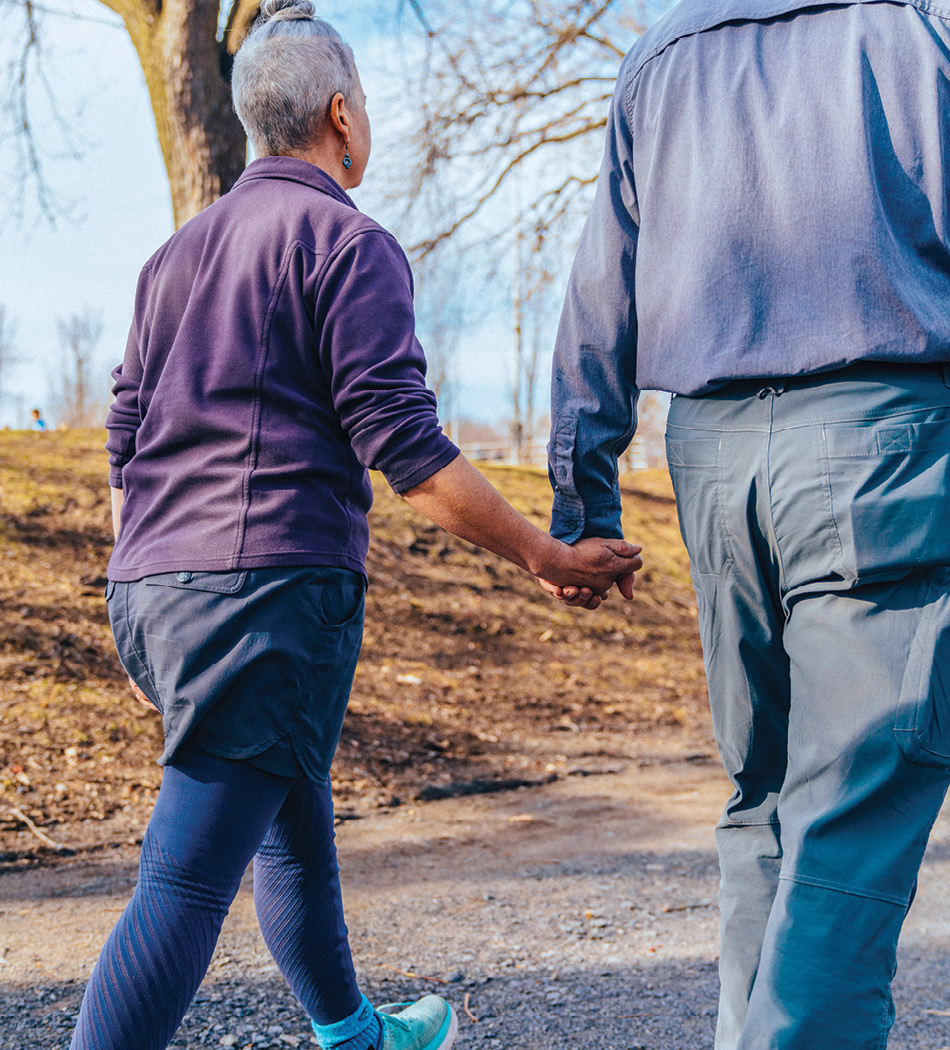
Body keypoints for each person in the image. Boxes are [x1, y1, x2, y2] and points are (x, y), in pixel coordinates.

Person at [69, 4, 643, 1050]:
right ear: (341, 116)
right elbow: (402, 441)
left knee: (292, 814)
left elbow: (123, 431)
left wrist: (146, 572)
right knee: (185, 881)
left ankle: (354, 1035)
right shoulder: (345, 240)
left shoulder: (175, 254)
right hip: (266, 597)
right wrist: (542, 553)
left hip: (154, 590)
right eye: (366, 105)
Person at [543, 1, 950, 1047]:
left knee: (763, 795)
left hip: (713, 458)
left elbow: (601, 289)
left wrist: (579, 500)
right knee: (847, 813)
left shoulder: (661, 56)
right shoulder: (916, 33)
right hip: (880, 438)